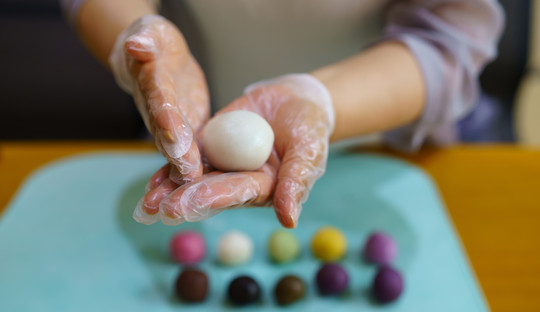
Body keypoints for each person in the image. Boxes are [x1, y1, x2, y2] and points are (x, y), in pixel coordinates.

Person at [61, 0, 504, 228]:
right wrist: (138, 45)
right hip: (194, 129)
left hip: (390, 143)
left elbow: (449, 41)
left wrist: (317, 100)